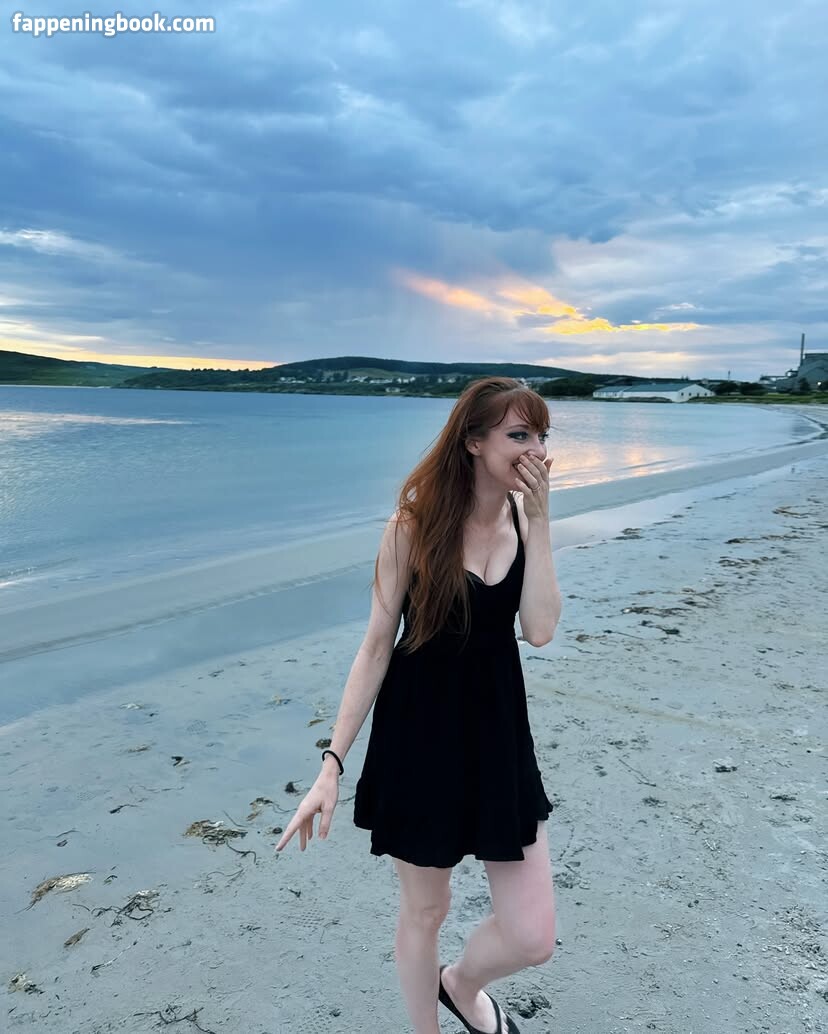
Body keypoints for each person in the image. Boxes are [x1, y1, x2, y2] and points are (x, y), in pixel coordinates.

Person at [276, 376, 562, 1034]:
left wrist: (542, 522)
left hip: (498, 741)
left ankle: (459, 984)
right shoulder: (412, 526)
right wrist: (331, 765)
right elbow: (376, 646)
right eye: (520, 434)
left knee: (533, 937)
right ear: (474, 442)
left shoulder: (526, 520)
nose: (538, 451)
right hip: (419, 742)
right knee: (426, 913)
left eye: (543, 436)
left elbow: (541, 630)